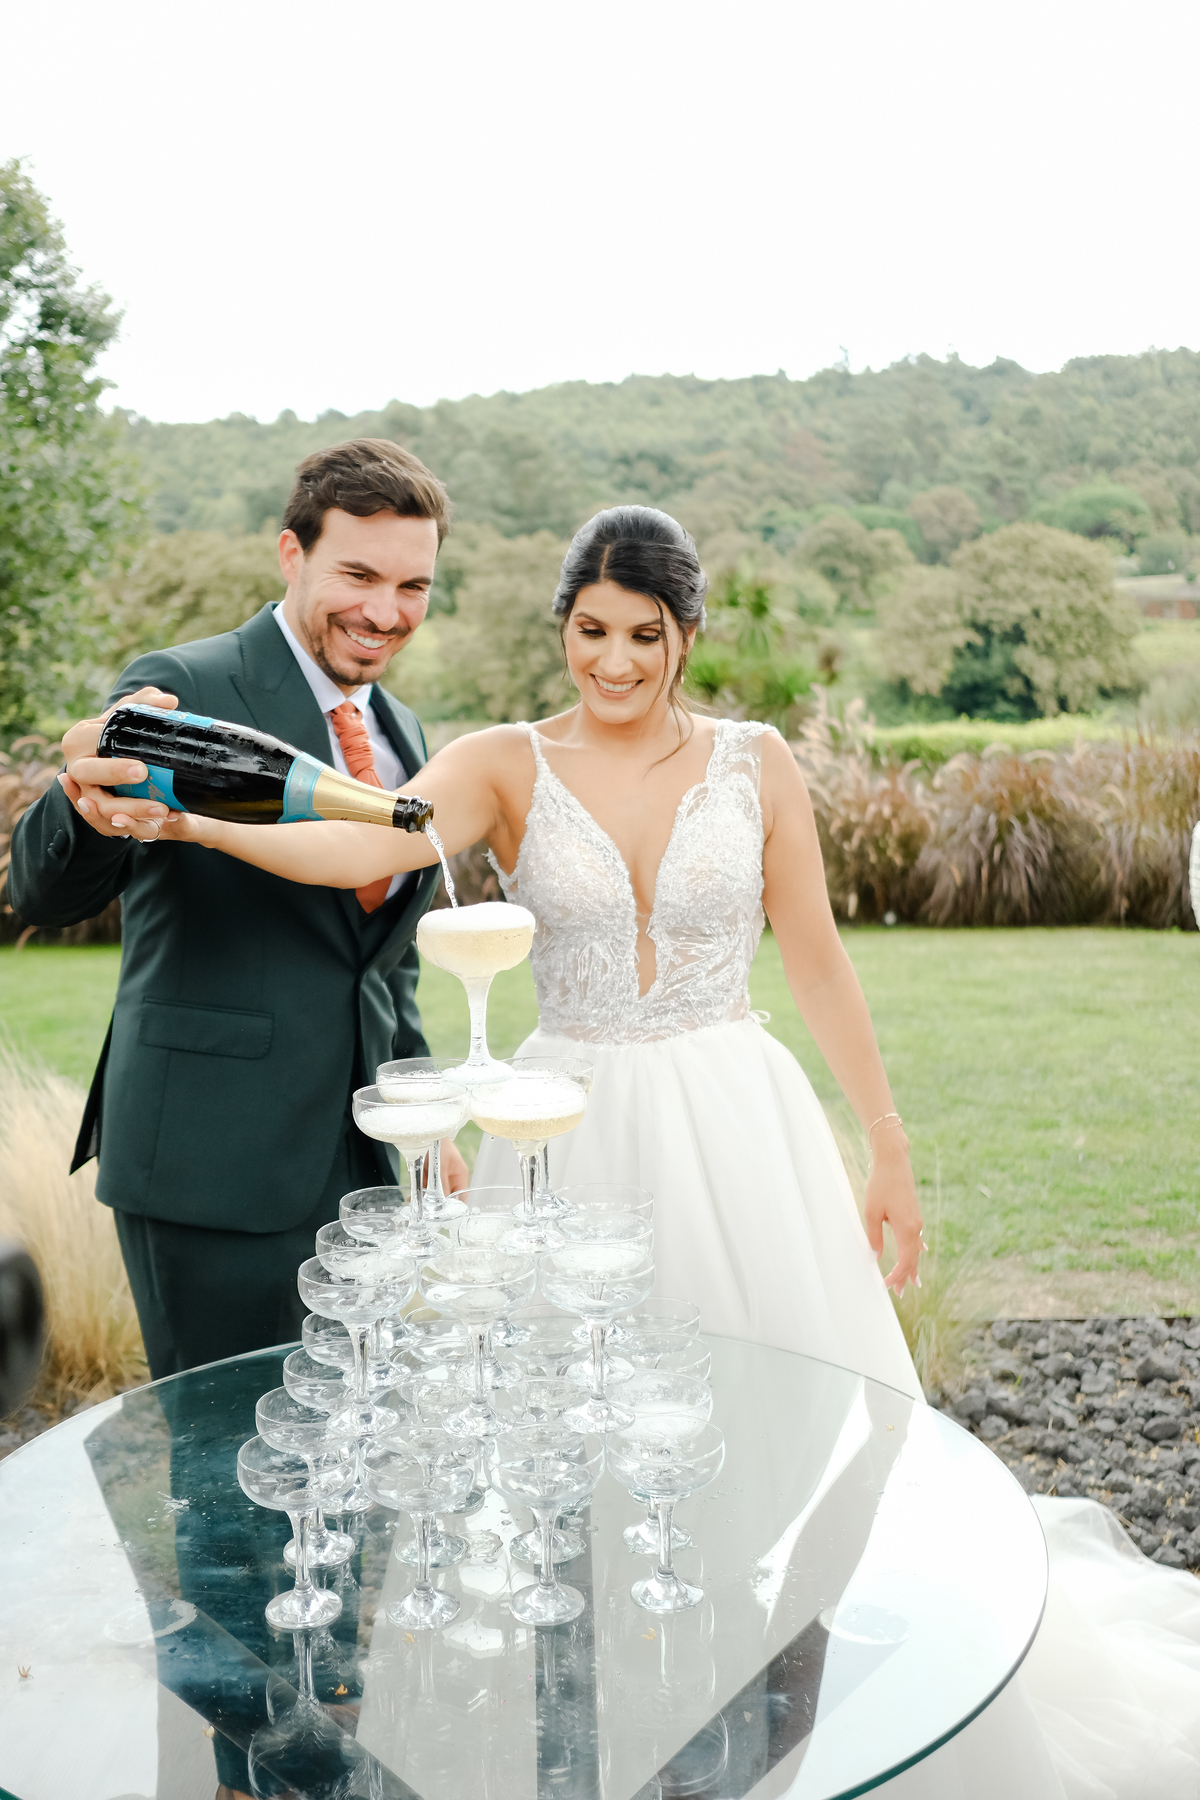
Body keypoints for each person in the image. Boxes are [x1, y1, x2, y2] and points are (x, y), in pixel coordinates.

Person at [67, 505, 1200, 1795]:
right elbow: (357, 846)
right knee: (560, 1468)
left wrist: (887, 1146)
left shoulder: (759, 762)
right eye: (592, 631)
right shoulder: (504, 762)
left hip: (743, 1130)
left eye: (643, 636)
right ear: (564, 626)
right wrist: (203, 827)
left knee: (810, 1432)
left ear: (686, 634)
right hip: (567, 1135)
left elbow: (817, 958)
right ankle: (583, 1735)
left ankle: (776, 1724)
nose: (613, 661)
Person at [8, 437, 467, 1381]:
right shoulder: (188, 686)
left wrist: (420, 1115)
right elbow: (46, 891)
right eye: (358, 575)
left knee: (347, 1432)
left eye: (413, 586)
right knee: (225, 1452)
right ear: (292, 553)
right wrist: (85, 802)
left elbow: (386, 963)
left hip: (359, 1160)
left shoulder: (402, 731)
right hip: (209, 1160)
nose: (385, 612)